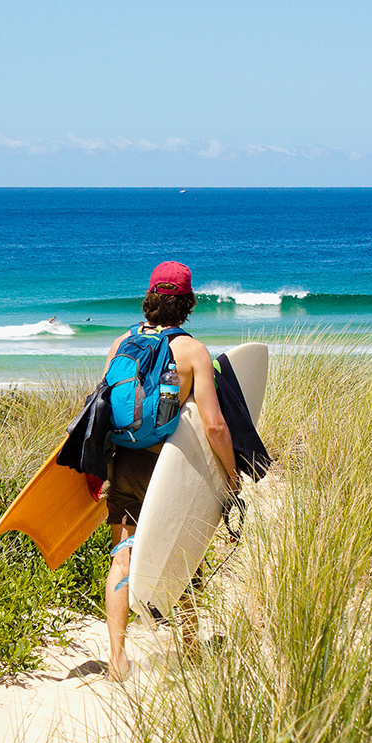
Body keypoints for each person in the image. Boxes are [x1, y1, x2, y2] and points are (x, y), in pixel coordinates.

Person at [101, 262, 237, 679]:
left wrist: (102, 471)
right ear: (187, 302)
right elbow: (213, 425)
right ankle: (192, 646)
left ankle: (118, 658)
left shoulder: (122, 342)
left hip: (123, 462)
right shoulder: (193, 351)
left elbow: (102, 409)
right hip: (168, 466)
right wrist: (231, 478)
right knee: (185, 556)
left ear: (150, 298)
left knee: (122, 560)